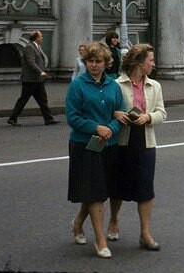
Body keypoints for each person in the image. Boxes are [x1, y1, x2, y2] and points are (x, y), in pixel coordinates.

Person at [66, 41, 123, 259]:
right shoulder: (77, 86)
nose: (94, 65)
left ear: (106, 63)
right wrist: (96, 127)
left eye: (98, 61)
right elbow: (73, 117)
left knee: (97, 190)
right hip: (84, 145)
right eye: (90, 61)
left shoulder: (113, 86)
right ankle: (100, 241)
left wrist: (110, 127)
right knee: (95, 192)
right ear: (85, 62)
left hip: (108, 144)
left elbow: (120, 112)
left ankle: (78, 222)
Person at [109, 43, 167, 252]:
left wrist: (148, 117)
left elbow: (162, 113)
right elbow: (109, 109)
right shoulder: (117, 85)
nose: (153, 64)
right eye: (150, 60)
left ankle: (145, 233)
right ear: (139, 62)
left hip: (145, 140)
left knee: (145, 188)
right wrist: (116, 114)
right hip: (123, 140)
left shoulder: (154, 86)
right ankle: (114, 220)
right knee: (119, 186)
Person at [8, 30, 58, 126]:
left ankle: (49, 119)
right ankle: (12, 118)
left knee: (43, 100)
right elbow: (31, 62)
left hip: (37, 80)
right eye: (41, 36)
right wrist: (40, 72)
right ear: (37, 38)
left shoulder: (36, 46)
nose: (42, 38)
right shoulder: (29, 47)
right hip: (30, 80)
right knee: (23, 99)